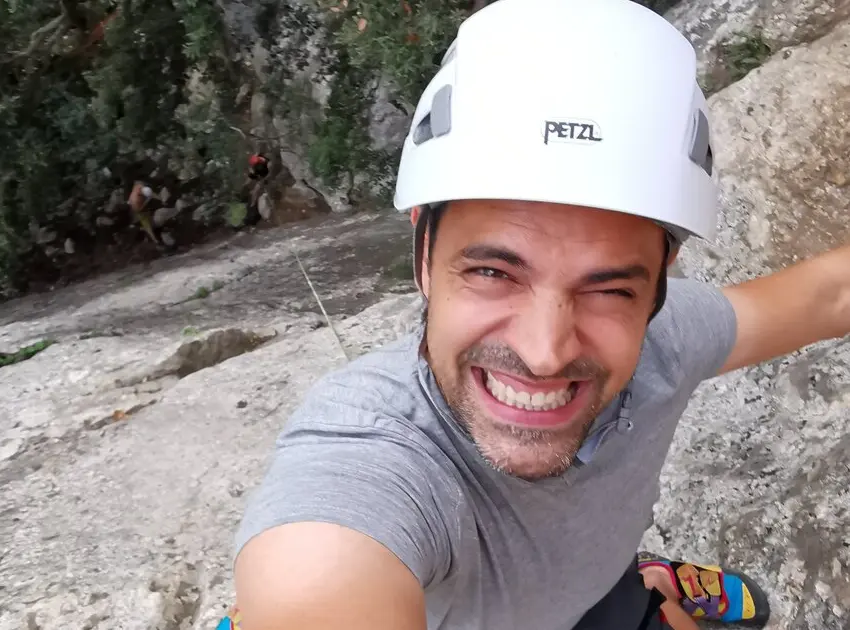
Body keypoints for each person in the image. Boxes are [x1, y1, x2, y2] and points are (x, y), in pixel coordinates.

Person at [227, 0, 850, 628]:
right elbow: (320, 573)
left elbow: (828, 296)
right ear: (422, 254)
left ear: (659, 281)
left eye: (609, 291)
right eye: (494, 273)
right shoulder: (375, 453)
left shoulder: (664, 339)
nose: (545, 352)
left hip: (595, 588)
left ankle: (647, 582)